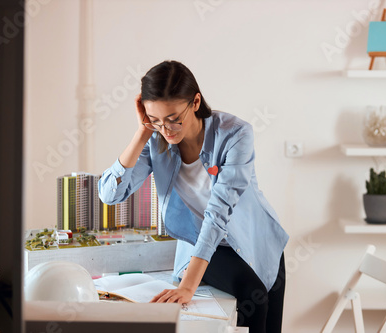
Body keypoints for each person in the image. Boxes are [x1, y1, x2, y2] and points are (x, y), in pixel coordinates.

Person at [98, 60, 289, 332]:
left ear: (195, 102)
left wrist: (189, 285)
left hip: (259, 241)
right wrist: (143, 132)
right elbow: (109, 194)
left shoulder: (235, 134)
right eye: (156, 120)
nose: (166, 129)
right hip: (205, 247)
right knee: (253, 297)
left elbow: (219, 211)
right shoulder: (156, 141)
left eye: (174, 119)